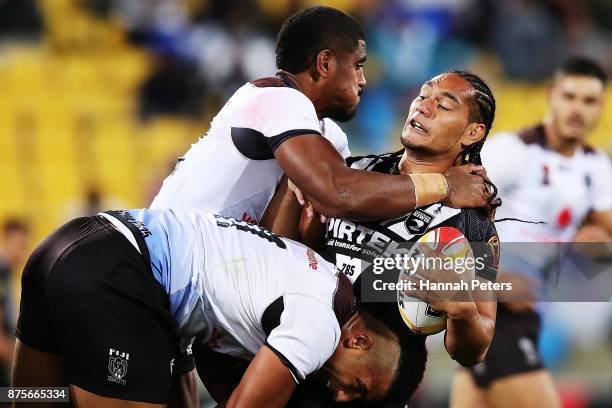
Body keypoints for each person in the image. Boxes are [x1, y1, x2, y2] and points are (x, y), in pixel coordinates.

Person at [197, 70, 502, 407]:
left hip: (360, 383)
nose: (423, 108)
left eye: (444, 105)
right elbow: (278, 248)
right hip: (290, 347)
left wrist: (462, 312)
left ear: (473, 132)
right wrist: (294, 189)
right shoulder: (353, 174)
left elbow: (477, 347)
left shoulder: (471, 226)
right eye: (422, 96)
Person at [13, 209, 425, 407]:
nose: (340, 398)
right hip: (120, 277)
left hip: (65, 246)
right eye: (356, 388)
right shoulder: (320, 326)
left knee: (33, 400)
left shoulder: (316, 279)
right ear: (358, 340)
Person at [150, 6, 492, 225]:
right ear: (325, 63)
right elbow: (337, 193)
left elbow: (306, 231)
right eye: (358, 66)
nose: (363, 80)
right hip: (169, 254)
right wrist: (444, 186)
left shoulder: (329, 138)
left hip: (216, 270)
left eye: (444, 105)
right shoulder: (276, 97)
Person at [450, 57, 611, 408]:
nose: (577, 109)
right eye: (569, 96)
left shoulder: (597, 168)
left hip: (528, 313)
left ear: (601, 107)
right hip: (494, 310)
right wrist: (498, 278)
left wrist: (597, 247)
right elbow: (451, 214)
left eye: (589, 101)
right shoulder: (512, 152)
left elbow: (601, 243)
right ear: (551, 95)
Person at [0, 219, 30, 388]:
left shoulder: (8, 271)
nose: (22, 251)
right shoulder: (1, 268)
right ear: (6, 239)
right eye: (20, 245)